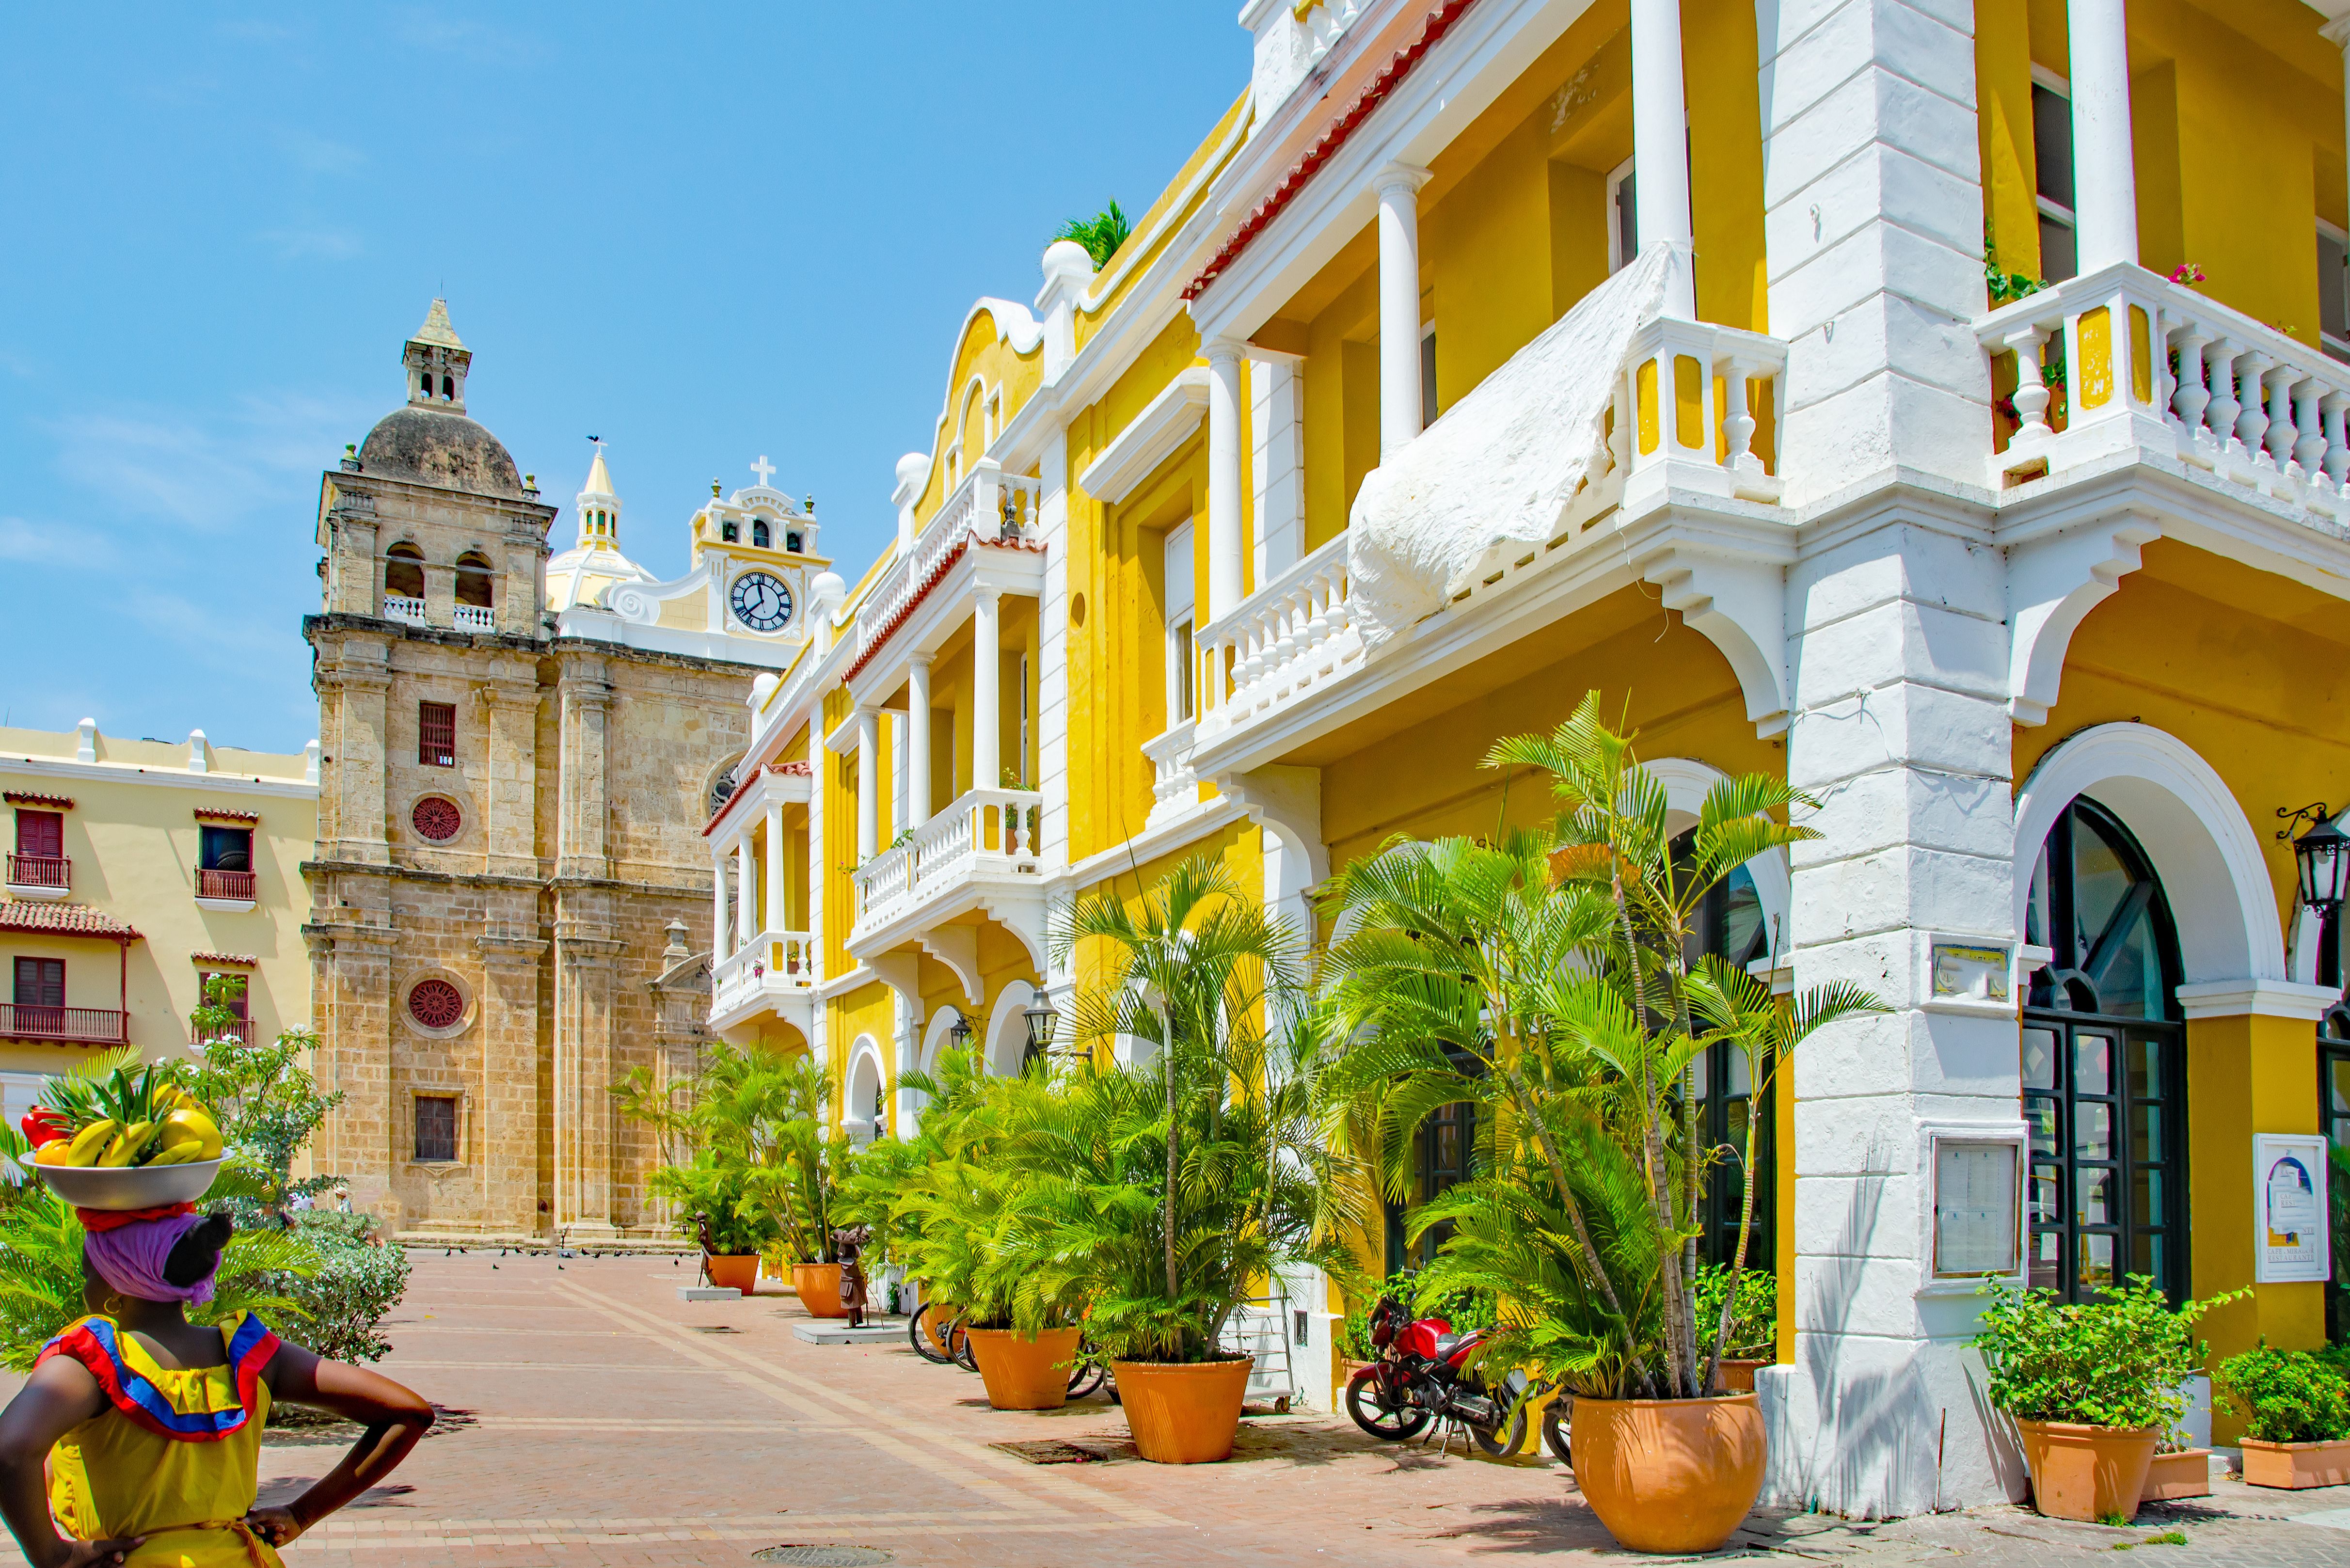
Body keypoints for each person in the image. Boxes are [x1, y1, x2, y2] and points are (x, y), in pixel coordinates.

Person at [0, 1205, 433, 1567]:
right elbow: (408, 1413)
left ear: (116, 1281)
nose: (84, 1286)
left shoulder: (91, 1362)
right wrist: (301, 1514)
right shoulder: (251, 1354)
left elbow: (10, 1450)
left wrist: (54, 1556)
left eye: (87, 1273)